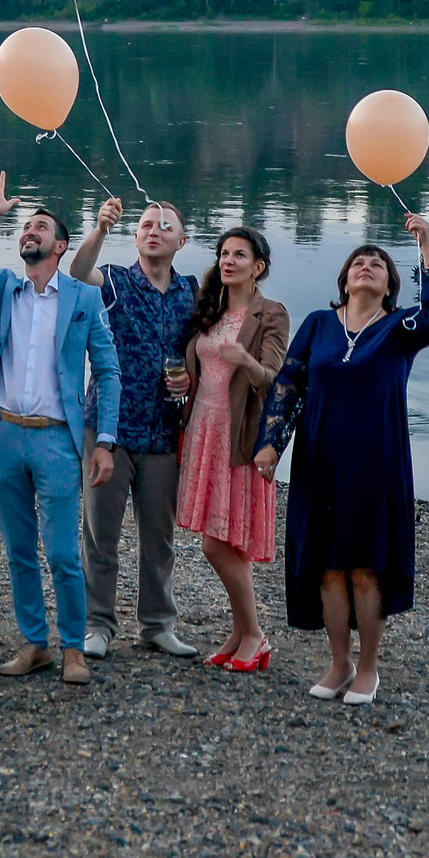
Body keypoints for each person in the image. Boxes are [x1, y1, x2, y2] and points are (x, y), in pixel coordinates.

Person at [257, 211, 429, 706]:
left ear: (390, 282)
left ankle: (368, 668)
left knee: (366, 566)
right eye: (358, 262)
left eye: (377, 263)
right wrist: (270, 443)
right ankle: (338, 662)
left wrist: (426, 244)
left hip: (376, 461)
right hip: (319, 457)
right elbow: (288, 384)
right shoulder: (320, 324)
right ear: (344, 278)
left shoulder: (399, 327)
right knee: (327, 565)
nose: (366, 265)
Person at [0, 165, 121, 686]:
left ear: (61, 246)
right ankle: (34, 643)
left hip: (58, 439)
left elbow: (107, 370)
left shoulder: (83, 300)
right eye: (25, 227)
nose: (29, 231)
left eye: (41, 226)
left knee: (63, 552)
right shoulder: (0, 290)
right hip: (2, 434)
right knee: (18, 549)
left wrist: (104, 441)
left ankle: (73, 649)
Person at [66, 196, 201, 660]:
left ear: (181, 241)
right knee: (100, 533)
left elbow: (203, 352)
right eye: (146, 224)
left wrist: (189, 379)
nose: (153, 231)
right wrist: (100, 228)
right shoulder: (116, 282)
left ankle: (157, 624)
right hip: (109, 427)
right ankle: (98, 625)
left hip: (164, 429)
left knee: (159, 537)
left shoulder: (192, 291)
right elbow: (77, 272)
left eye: (165, 226)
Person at [172, 226, 290, 671]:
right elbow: (202, 367)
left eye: (240, 255)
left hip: (240, 439)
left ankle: (255, 635)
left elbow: (275, 381)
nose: (228, 260)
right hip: (202, 430)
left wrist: (248, 363)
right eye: (224, 253)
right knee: (223, 543)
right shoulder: (209, 311)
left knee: (218, 545)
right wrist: (185, 381)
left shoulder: (271, 313)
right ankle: (241, 634)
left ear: (258, 267)